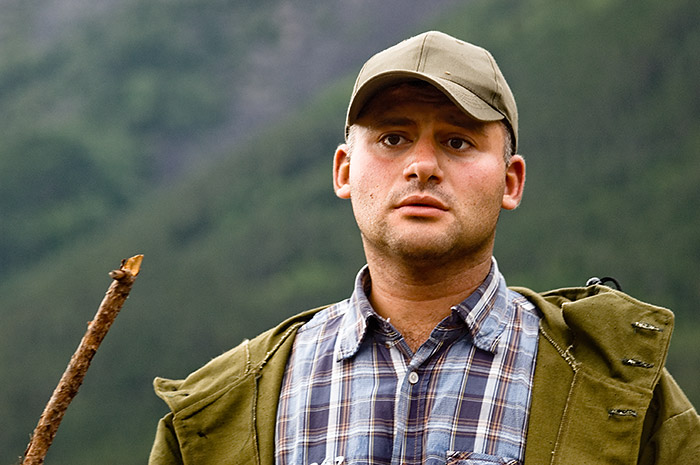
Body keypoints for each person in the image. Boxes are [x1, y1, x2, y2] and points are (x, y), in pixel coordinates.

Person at [148, 31, 699, 464]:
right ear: (344, 171)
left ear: (511, 182)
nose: (422, 165)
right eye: (393, 138)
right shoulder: (222, 408)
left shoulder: (619, 390)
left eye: (458, 141)